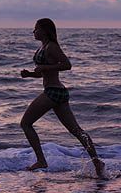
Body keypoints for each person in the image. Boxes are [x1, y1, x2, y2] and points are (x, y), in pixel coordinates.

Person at [20, 18, 106, 178]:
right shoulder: (43, 47)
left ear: (45, 31)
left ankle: (41, 160)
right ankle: (97, 162)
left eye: (36, 29)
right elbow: (45, 73)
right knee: (76, 130)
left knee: (25, 123)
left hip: (53, 92)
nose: (33, 32)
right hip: (56, 92)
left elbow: (67, 65)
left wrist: (45, 67)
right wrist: (30, 75)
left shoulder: (52, 47)